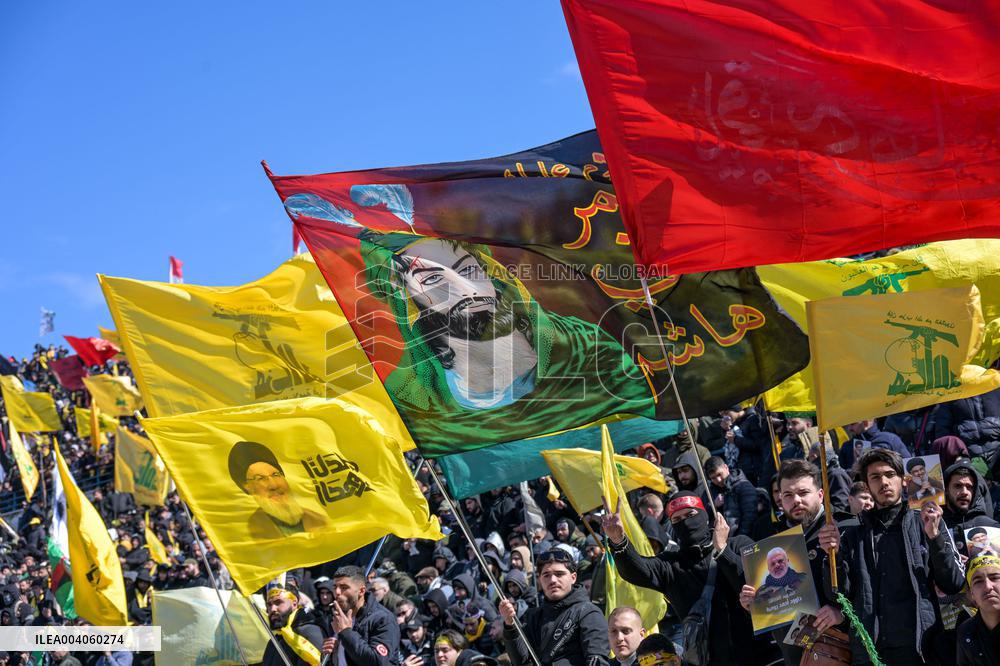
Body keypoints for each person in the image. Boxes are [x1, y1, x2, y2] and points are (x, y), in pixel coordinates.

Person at [357, 229, 656, 448]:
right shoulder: (416, 397)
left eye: (469, 270)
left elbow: (646, 407)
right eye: (433, 279)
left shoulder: (583, 345)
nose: (467, 290)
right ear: (406, 303)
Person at [817, 448, 966, 665]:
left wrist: (935, 538)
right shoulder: (850, 533)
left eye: (889, 474)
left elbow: (953, 582)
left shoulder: (926, 522)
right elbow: (837, 594)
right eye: (875, 477)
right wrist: (833, 555)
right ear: (867, 486)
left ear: (904, 480)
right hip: (871, 653)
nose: (884, 482)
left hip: (921, 649)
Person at [602, 492, 754, 665]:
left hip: (756, 653)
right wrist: (618, 540)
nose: (685, 522)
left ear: (704, 515)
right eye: (677, 519)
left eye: (690, 515)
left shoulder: (738, 545)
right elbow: (636, 570)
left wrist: (722, 551)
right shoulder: (671, 565)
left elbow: (755, 582)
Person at [739, 460, 852, 666]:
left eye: (803, 492)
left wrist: (842, 614)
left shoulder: (845, 527)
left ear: (820, 494)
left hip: (841, 650)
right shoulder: (770, 538)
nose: (796, 500)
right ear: (780, 499)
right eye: (788, 495)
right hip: (795, 656)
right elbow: (773, 609)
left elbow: (869, 591)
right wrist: (754, 604)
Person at [499, 548, 610, 666]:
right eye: (546, 575)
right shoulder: (533, 616)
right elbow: (520, 661)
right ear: (540, 580)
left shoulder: (589, 612)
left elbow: (597, 660)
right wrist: (510, 626)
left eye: (559, 574)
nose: (552, 580)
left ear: (573, 577)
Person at [227, 440, 328, 539]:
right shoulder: (248, 532)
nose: (273, 485)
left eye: (276, 475)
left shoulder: (318, 520)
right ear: (247, 487)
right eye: (260, 479)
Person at [321, 565, 401, 666]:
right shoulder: (337, 617)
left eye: (344, 587)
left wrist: (346, 633)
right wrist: (332, 653)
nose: (337, 592)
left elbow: (377, 662)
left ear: (361, 591)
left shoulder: (383, 619)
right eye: (335, 587)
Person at [942, 459, 999, 554]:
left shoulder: (991, 527)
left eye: (969, 487)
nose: (965, 492)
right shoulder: (936, 526)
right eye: (957, 486)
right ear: (946, 490)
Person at [262, 586, 325, 666]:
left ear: (294, 603)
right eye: (269, 604)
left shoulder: (309, 631)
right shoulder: (275, 638)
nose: (273, 609)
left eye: (278, 602)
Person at [956, 554, 1000, 665]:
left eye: (995, 577)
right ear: (972, 594)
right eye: (978, 581)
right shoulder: (966, 632)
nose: (988, 586)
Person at [704, 457, 757, 537]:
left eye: (719, 474)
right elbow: (704, 516)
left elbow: (749, 517)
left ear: (726, 467)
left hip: (740, 540)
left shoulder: (743, 486)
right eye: (713, 478)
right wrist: (713, 505)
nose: (718, 480)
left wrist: (739, 540)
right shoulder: (710, 491)